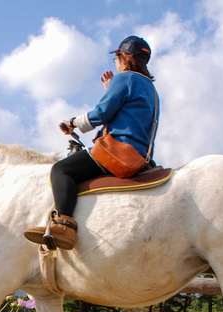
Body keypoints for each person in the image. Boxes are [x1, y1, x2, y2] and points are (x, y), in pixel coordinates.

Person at [24, 35, 159, 250]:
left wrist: (72, 123)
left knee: (61, 170)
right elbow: (129, 114)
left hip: (118, 150)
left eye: (116, 58)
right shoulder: (150, 89)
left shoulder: (125, 79)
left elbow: (101, 113)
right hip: (141, 154)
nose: (115, 64)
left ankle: (64, 224)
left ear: (124, 57)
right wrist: (110, 89)